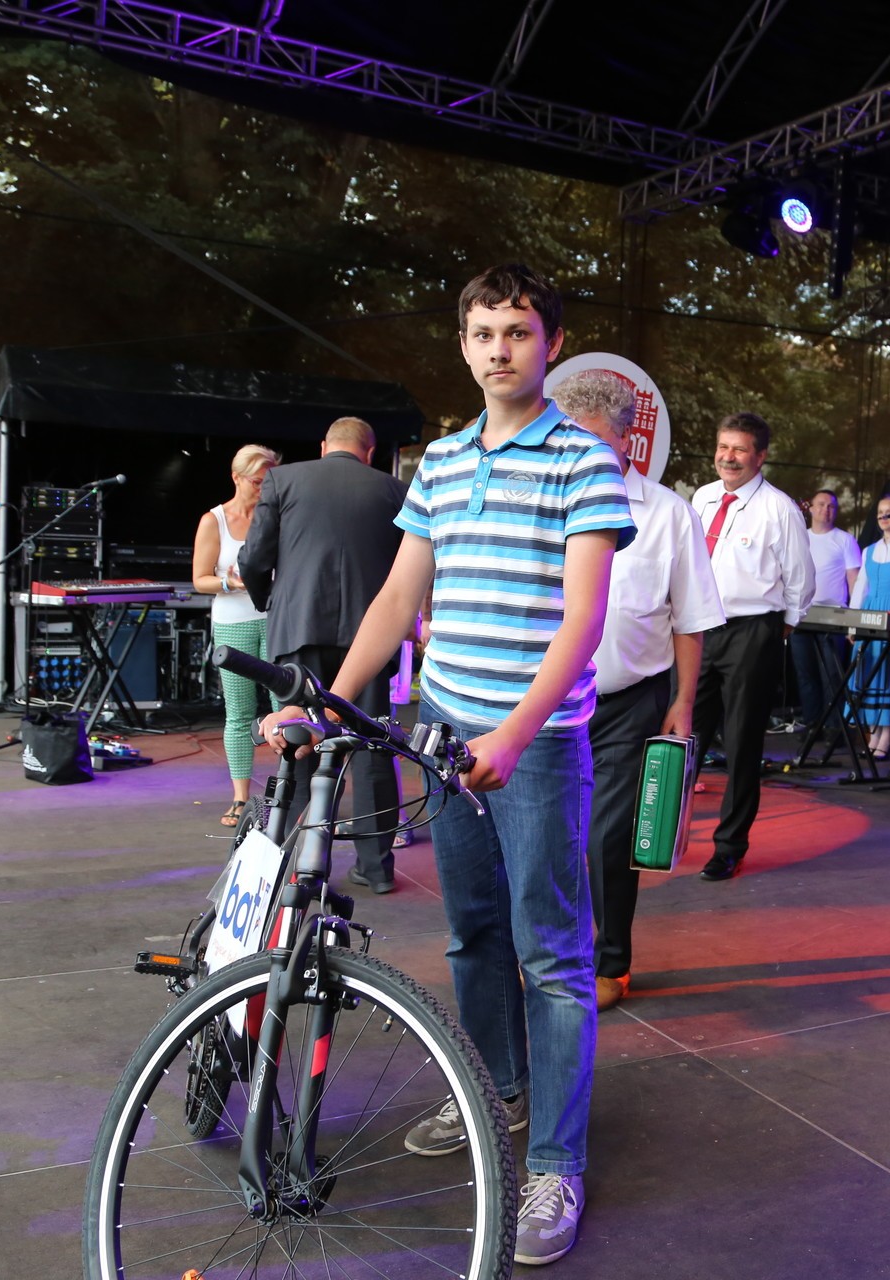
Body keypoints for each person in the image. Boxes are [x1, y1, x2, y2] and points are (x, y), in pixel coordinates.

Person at [262, 264, 633, 1265]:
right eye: (483, 332)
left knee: (552, 954)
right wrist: (329, 700)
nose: (499, 348)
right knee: (472, 936)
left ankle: (555, 1163)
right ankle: (498, 1093)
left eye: (518, 331)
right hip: (442, 732)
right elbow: (397, 600)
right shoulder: (442, 462)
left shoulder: (584, 460)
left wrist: (511, 735)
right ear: (463, 344)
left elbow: (583, 619)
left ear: (551, 344)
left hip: (535, 746)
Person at [552, 370, 724, 1012]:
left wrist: (682, 701)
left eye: (597, 441)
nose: (582, 453)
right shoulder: (545, 499)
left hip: (630, 699)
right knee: (544, 832)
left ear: (629, 441)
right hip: (545, 700)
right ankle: (547, 952)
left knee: (609, 836)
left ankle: (611, 963)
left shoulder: (669, 513)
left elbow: (690, 618)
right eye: (572, 439)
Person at [238, 416, 406, 892]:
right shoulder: (393, 490)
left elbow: (253, 558)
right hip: (369, 635)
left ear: (323, 445)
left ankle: (298, 866)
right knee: (372, 747)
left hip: (300, 627)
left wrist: (269, 602)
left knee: (298, 742)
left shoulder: (283, 480)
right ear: (369, 451)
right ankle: (377, 868)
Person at [690, 412, 815, 882]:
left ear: (760, 456)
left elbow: (801, 581)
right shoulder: (702, 497)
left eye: (739, 449)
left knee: (742, 743)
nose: (728, 457)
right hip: (698, 628)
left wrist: (780, 629)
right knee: (683, 736)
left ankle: (729, 847)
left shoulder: (779, 509)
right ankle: (661, 835)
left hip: (752, 630)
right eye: (723, 447)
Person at [191, 442, 280, 826]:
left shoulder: (276, 515)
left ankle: (289, 793)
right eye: (257, 482)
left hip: (275, 619)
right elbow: (200, 579)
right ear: (236, 477)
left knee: (285, 708)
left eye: (268, 481)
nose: (263, 489)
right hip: (233, 622)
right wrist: (230, 582)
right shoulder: (214, 520)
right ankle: (240, 798)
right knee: (240, 712)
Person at [848, 495, 890, 758]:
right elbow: (860, 588)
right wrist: (853, 623)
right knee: (868, 674)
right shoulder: (869, 551)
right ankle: (872, 734)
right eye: (880, 512)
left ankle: (885, 736)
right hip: (870, 615)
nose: (883, 517)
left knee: (888, 677)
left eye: (889, 512)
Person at [790, 490, 861, 734]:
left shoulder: (845, 540)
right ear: (810, 508)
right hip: (801, 615)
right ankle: (812, 724)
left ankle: (833, 727)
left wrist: (854, 618)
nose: (826, 510)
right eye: (821, 504)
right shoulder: (800, 538)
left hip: (833, 616)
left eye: (831, 506)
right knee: (805, 672)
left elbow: (854, 580)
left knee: (831, 673)